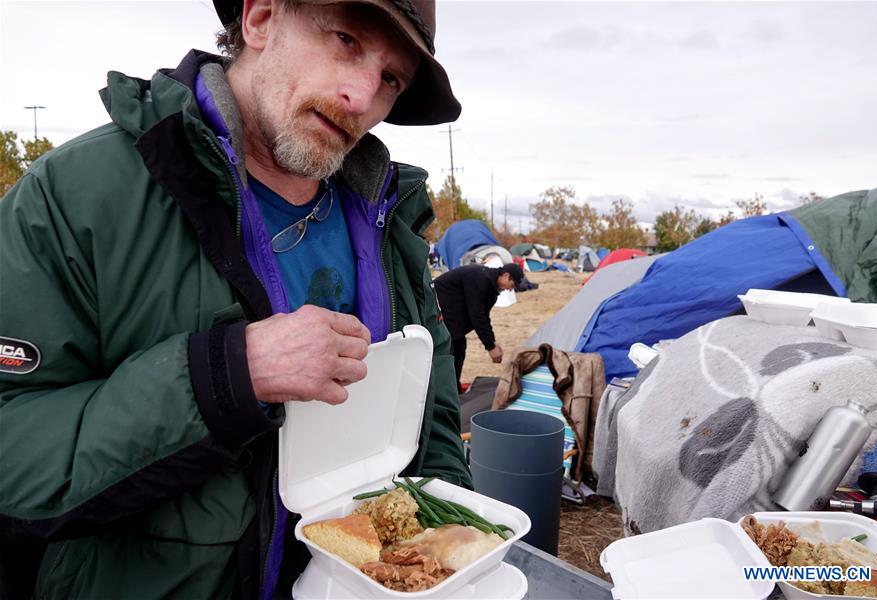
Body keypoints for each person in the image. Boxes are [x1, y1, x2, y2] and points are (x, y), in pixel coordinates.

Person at [0, 0, 471, 597]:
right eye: (346, 40)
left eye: (390, 78)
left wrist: (453, 549)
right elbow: (13, 451)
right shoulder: (75, 198)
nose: (361, 96)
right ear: (260, 19)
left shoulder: (393, 223)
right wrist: (223, 378)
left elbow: (430, 419)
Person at [433, 263, 524, 391]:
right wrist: (490, 347)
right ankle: (445, 391)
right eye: (512, 285)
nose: (510, 289)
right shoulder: (479, 277)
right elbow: (476, 315)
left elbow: (484, 316)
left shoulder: (491, 288)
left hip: (452, 316)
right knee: (451, 350)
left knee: (458, 349)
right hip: (437, 311)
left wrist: (492, 341)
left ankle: (453, 389)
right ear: (505, 275)